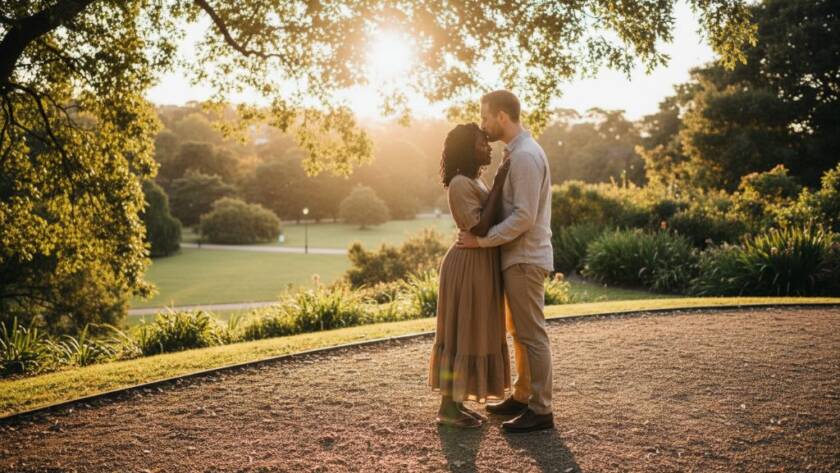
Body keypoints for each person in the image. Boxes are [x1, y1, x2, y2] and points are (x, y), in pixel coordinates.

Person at [457, 90, 555, 434]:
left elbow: (524, 217)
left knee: (532, 334)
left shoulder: (526, 156)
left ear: (501, 116)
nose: (483, 125)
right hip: (515, 257)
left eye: (485, 117)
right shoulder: (516, 153)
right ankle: (523, 394)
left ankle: (541, 410)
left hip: (525, 257)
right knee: (519, 333)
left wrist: (481, 240)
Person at [429, 123, 512, 429]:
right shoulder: (460, 183)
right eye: (481, 143)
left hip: (480, 262)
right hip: (467, 266)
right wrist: (501, 183)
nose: (488, 147)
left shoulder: (474, 181)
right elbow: (478, 227)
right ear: (467, 149)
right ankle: (447, 409)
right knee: (461, 330)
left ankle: (455, 404)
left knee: (470, 329)